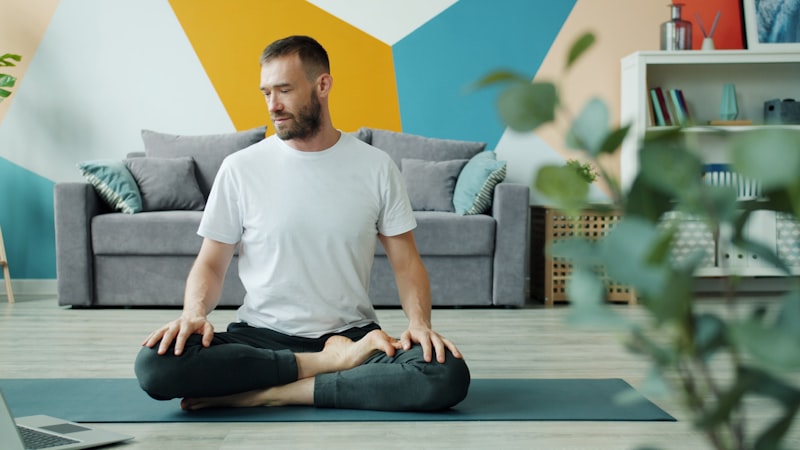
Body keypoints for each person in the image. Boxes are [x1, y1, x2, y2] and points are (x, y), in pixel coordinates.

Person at [134, 35, 471, 412]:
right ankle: (325, 367)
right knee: (155, 365)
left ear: (322, 85)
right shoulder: (240, 168)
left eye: (284, 90)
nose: (273, 106)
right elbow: (211, 263)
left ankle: (275, 392)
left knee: (445, 374)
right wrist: (193, 315)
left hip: (353, 337)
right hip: (260, 339)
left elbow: (407, 263)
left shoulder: (376, 167)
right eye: (266, 93)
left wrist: (419, 324)